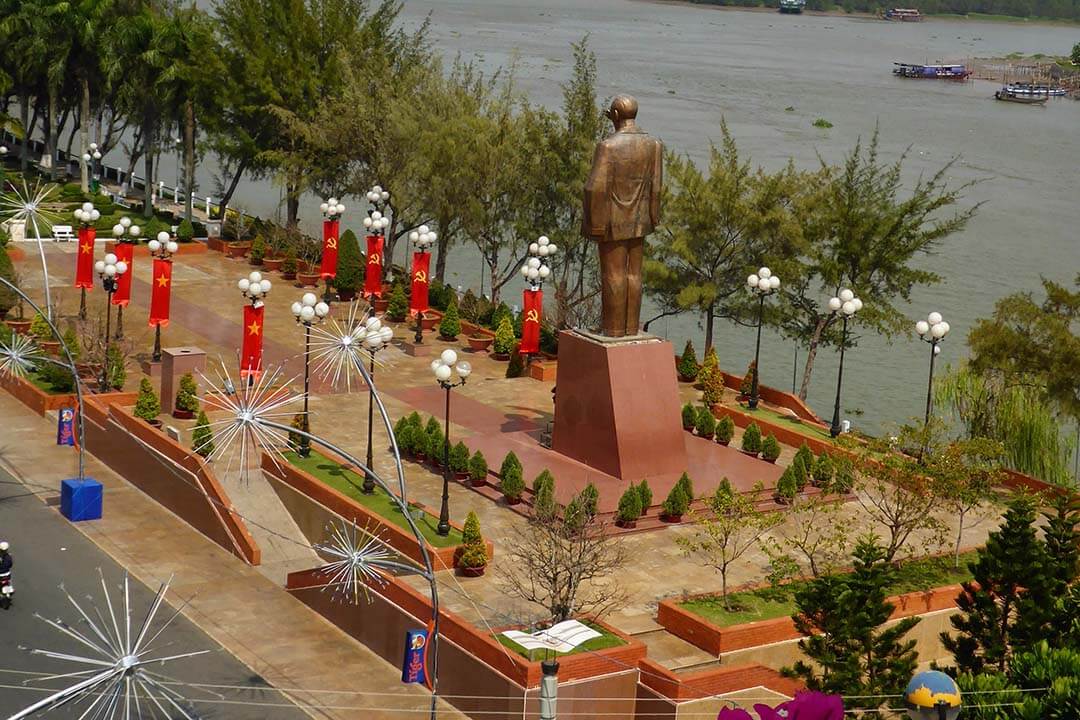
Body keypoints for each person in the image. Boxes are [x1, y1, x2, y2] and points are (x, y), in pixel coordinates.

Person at [581, 94, 663, 338]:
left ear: (615, 116)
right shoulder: (654, 145)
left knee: (614, 274)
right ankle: (630, 327)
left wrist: (595, 226)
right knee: (634, 274)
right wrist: (653, 218)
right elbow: (657, 187)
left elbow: (593, 188)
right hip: (641, 222)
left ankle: (613, 329)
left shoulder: (608, 146)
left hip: (612, 223)